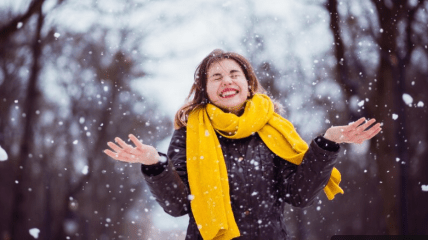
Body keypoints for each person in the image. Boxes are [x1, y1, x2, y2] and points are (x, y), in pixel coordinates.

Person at [104, 49, 382, 240]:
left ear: (248, 84)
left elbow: (299, 195)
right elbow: (178, 205)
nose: (227, 81)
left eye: (234, 74)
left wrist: (327, 144)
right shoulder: (189, 134)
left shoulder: (274, 128)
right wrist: (156, 164)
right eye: (216, 77)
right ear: (206, 91)